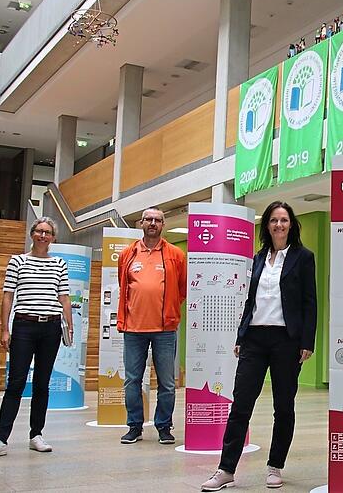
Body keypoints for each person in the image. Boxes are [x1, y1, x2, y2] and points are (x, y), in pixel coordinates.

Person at [201, 201, 317, 491]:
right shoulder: (258, 258)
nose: (279, 225)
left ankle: (275, 465)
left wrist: (307, 341)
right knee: (240, 405)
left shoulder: (304, 257)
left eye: (284, 220)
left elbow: (309, 303)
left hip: (286, 341)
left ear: (292, 225)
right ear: (267, 225)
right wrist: (241, 335)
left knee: (283, 406)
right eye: (274, 220)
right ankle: (225, 469)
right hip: (254, 338)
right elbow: (250, 302)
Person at [0, 217, 72, 460]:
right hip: (24, 326)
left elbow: (64, 297)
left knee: (42, 383)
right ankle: (0, 439)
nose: (43, 236)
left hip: (50, 328)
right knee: (16, 383)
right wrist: (4, 329)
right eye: (39, 231)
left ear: (53, 237)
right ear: (32, 234)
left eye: (48, 232)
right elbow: (8, 296)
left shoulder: (59, 263)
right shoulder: (17, 261)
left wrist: (69, 325)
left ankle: (36, 435)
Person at [117, 206, 186, 445]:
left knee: (167, 382)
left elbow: (182, 289)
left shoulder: (176, 254)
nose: (153, 223)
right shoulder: (128, 254)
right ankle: (134, 426)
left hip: (165, 330)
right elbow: (123, 286)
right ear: (141, 223)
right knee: (132, 380)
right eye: (149, 219)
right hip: (133, 329)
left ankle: (164, 426)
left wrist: (168, 311)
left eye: (158, 220)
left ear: (163, 225)